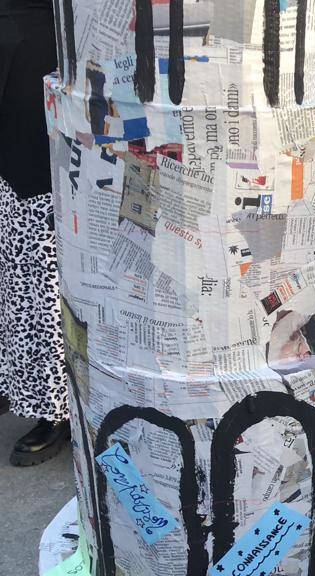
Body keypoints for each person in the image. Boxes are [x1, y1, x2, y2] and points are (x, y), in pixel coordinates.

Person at [0, 0, 71, 466]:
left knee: (40, 255)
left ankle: (55, 406)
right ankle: (16, 378)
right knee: (12, 247)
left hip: (38, 47)